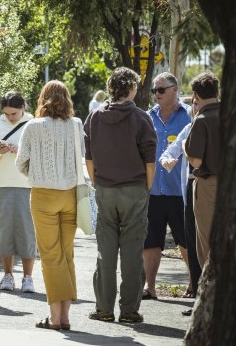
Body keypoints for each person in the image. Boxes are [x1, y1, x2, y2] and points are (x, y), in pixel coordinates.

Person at [84, 67, 157, 323]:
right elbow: (150, 159)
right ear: (132, 89)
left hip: (105, 189)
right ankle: (129, 311)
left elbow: (89, 158)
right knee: (132, 250)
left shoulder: (94, 117)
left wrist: (97, 183)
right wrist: (146, 187)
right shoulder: (141, 117)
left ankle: (104, 308)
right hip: (134, 189)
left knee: (105, 249)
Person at [15, 80, 83, 331]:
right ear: (67, 99)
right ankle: (65, 316)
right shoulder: (76, 125)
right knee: (67, 254)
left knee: (51, 255)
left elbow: (21, 162)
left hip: (43, 195)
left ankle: (56, 318)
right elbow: (81, 159)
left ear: (42, 99)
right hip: (71, 195)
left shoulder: (33, 126)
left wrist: (40, 173)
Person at [143, 72, 192, 300]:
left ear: (175, 89)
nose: (157, 94)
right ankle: (149, 287)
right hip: (152, 191)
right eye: (154, 90)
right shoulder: (147, 117)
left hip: (179, 191)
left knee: (185, 240)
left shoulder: (190, 116)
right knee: (151, 241)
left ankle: (193, 283)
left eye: (161, 90)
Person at [0, 91, 36, 293]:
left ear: (23, 108)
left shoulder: (33, 124)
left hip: (27, 184)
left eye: (14, 113)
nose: (10, 117)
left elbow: (40, 154)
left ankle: (28, 278)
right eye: (7, 114)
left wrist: (19, 150)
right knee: (4, 232)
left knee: (27, 232)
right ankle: (7, 275)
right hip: (2, 184)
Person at [160, 101, 202, 314]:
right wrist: (167, 159)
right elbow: (171, 150)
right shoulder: (190, 127)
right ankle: (197, 294)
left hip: (208, 190)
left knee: (206, 247)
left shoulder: (216, 124)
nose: (195, 108)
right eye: (193, 104)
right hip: (188, 193)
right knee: (192, 244)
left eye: (197, 103)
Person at [183, 72, 221, 268]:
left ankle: (213, 292)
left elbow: (196, 162)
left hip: (208, 185)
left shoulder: (202, 119)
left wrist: (183, 146)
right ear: (217, 91)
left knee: (206, 243)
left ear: (195, 95)